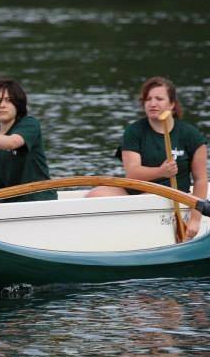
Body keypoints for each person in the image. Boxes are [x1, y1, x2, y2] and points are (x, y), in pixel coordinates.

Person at [86, 76, 207, 239]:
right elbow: (133, 173)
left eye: (159, 98)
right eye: (148, 99)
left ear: (172, 104)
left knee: (146, 199)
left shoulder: (190, 135)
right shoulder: (134, 131)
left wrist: (195, 219)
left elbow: (200, 180)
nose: (152, 103)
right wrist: (161, 171)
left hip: (173, 195)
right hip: (135, 191)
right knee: (94, 195)